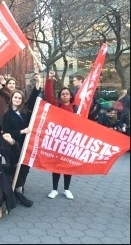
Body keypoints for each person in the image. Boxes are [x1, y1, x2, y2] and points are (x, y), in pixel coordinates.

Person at [2, 73, 42, 207]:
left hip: (27, 145)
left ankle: (19, 189)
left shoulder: (27, 111)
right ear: (12, 98)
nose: (17, 99)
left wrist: (38, 82)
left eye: (20, 98)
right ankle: (14, 191)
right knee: (14, 167)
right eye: (15, 97)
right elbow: (7, 131)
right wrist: (21, 131)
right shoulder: (7, 114)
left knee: (25, 168)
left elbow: (34, 96)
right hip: (14, 146)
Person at [44, 70, 76, 200]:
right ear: (60, 96)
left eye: (67, 94)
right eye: (62, 94)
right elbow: (48, 95)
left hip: (71, 141)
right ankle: (54, 189)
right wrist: (50, 79)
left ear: (70, 96)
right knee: (56, 165)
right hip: (58, 140)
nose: (64, 95)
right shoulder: (56, 105)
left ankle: (67, 189)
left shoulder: (77, 108)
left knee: (67, 166)